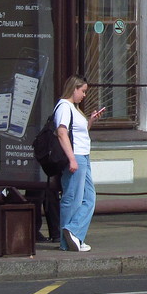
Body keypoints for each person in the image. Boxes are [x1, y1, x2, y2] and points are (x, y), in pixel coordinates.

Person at [56, 75, 104, 252]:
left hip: (83, 156)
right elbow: (62, 132)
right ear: (73, 88)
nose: (84, 95)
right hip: (76, 157)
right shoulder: (63, 106)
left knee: (88, 198)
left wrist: (90, 120)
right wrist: (72, 158)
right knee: (72, 198)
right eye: (82, 91)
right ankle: (69, 238)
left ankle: (73, 233)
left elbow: (78, 133)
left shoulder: (74, 109)